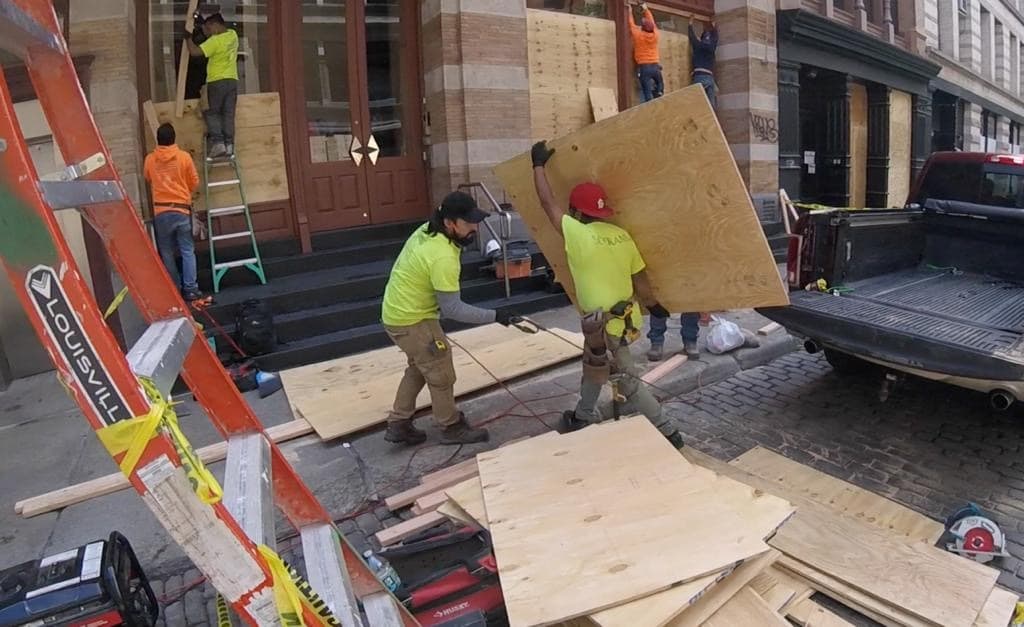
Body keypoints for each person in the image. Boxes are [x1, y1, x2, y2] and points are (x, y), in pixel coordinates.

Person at [530, 140, 685, 449]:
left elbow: (548, 204)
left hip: (604, 325)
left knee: (627, 379)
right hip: (624, 320)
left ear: (576, 211)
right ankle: (583, 415)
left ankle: (669, 431)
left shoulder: (577, 234)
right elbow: (640, 278)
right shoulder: (621, 235)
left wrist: (537, 166)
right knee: (595, 366)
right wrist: (653, 305)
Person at [381, 191, 521, 446]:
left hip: (397, 313)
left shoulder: (428, 229)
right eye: (468, 224)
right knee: (441, 371)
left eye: (475, 221)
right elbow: (453, 309)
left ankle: (399, 423)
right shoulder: (442, 256)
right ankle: (451, 426)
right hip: (412, 319)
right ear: (449, 223)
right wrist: (496, 315)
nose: (475, 229)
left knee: (421, 366)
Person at [144, 123, 203, 301]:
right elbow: (194, 182)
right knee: (187, 250)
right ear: (174, 138)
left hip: (161, 211)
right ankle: (191, 289)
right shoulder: (184, 157)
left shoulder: (150, 159)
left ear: (158, 139)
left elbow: (148, 178)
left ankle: (174, 290)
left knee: (167, 252)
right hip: (181, 210)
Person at [186, 13, 239, 159]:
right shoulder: (233, 35)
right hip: (232, 80)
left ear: (215, 25)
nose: (209, 33)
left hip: (216, 81)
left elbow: (194, 52)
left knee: (211, 112)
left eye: (209, 28)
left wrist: (188, 38)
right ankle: (229, 146)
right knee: (228, 114)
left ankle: (218, 143)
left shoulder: (215, 42)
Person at [628, 1, 663, 102]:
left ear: (642, 28)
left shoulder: (638, 35)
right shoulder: (656, 35)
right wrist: (645, 8)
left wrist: (629, 11)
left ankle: (650, 102)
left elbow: (631, 24)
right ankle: (659, 91)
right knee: (660, 83)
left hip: (644, 68)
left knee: (646, 91)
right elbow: (651, 20)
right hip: (656, 67)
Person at [689, 19, 718, 109]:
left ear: (701, 38)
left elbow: (692, 37)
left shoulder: (697, 45)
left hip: (699, 76)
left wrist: (690, 24)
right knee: (711, 104)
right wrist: (714, 28)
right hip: (709, 77)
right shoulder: (712, 46)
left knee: (697, 103)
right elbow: (716, 38)